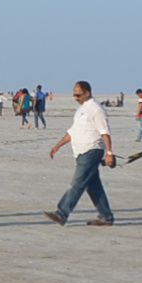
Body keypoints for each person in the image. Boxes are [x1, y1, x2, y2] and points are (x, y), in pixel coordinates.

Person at [45, 81, 116, 227]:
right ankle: (106, 216)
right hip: (80, 153)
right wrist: (57, 146)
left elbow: (105, 133)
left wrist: (109, 153)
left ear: (87, 93)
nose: (75, 97)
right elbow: (72, 132)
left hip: (91, 151)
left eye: (78, 94)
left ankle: (61, 213)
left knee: (77, 184)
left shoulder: (96, 110)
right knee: (93, 186)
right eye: (74, 95)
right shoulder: (81, 110)